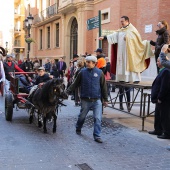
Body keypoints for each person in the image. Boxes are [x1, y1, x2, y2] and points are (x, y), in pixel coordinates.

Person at [99, 16, 153, 83]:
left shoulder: (132, 30)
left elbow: (136, 40)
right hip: (121, 51)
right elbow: (113, 35)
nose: (121, 23)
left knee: (131, 64)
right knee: (122, 64)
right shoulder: (121, 30)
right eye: (121, 21)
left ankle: (135, 79)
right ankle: (123, 78)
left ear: (127, 21)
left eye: (122, 21)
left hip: (129, 52)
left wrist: (128, 38)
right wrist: (104, 37)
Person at [67, 56, 108, 143]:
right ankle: (78, 127)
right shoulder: (82, 72)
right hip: (85, 100)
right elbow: (75, 84)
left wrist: (105, 99)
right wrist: (67, 91)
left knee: (97, 118)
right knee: (82, 117)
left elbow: (104, 87)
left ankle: (97, 135)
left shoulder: (100, 73)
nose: (87, 63)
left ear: (94, 63)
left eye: (89, 62)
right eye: (87, 62)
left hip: (97, 100)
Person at [148, 57, 165, 136]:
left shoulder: (166, 71)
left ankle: (165, 132)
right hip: (158, 98)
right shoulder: (161, 71)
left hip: (162, 99)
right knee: (157, 115)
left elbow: (164, 86)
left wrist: (160, 97)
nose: (157, 63)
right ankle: (157, 130)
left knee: (163, 116)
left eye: (158, 61)